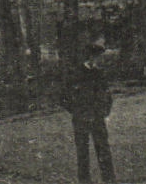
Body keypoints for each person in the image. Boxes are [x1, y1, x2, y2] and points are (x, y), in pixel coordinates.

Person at [61, 40, 117, 184]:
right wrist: (77, 111)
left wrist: (105, 111)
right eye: (97, 57)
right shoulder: (75, 74)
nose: (100, 60)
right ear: (90, 57)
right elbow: (64, 97)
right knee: (83, 153)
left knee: (103, 150)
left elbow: (106, 94)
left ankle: (109, 180)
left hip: (97, 118)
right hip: (82, 119)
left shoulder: (99, 73)